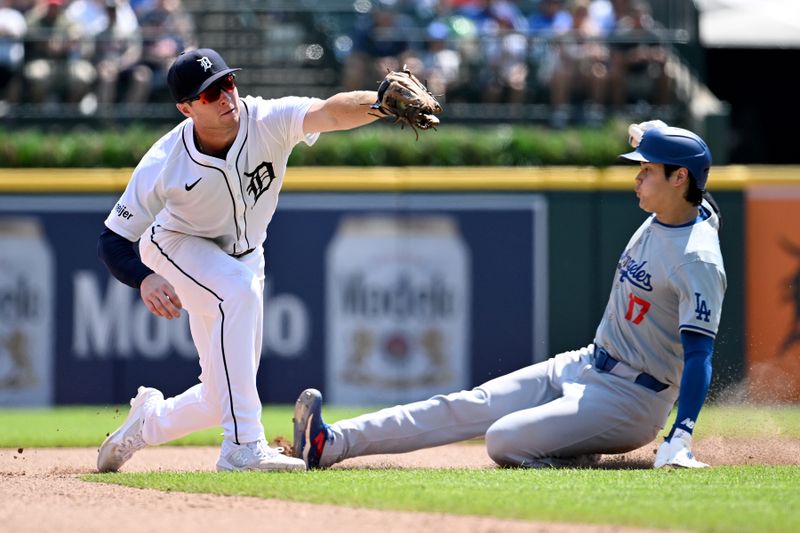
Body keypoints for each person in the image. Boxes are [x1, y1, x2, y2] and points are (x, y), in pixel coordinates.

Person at [293, 123, 726, 470]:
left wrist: (681, 436)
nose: (637, 176)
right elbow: (663, 148)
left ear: (680, 177)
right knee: (465, 404)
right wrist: (646, 134)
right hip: (586, 362)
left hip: (632, 399)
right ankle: (330, 443)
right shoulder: (682, 206)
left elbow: (699, 356)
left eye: (646, 169)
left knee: (504, 440)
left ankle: (572, 454)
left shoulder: (697, 259)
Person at [96, 47, 387, 473]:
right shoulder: (165, 161)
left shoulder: (267, 119)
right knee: (237, 290)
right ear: (185, 108)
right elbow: (112, 239)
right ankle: (242, 445)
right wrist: (143, 279)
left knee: (223, 394)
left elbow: (329, 112)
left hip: (247, 255)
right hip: (176, 245)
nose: (224, 95)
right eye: (209, 93)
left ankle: (146, 423)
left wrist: (378, 104)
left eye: (227, 82)